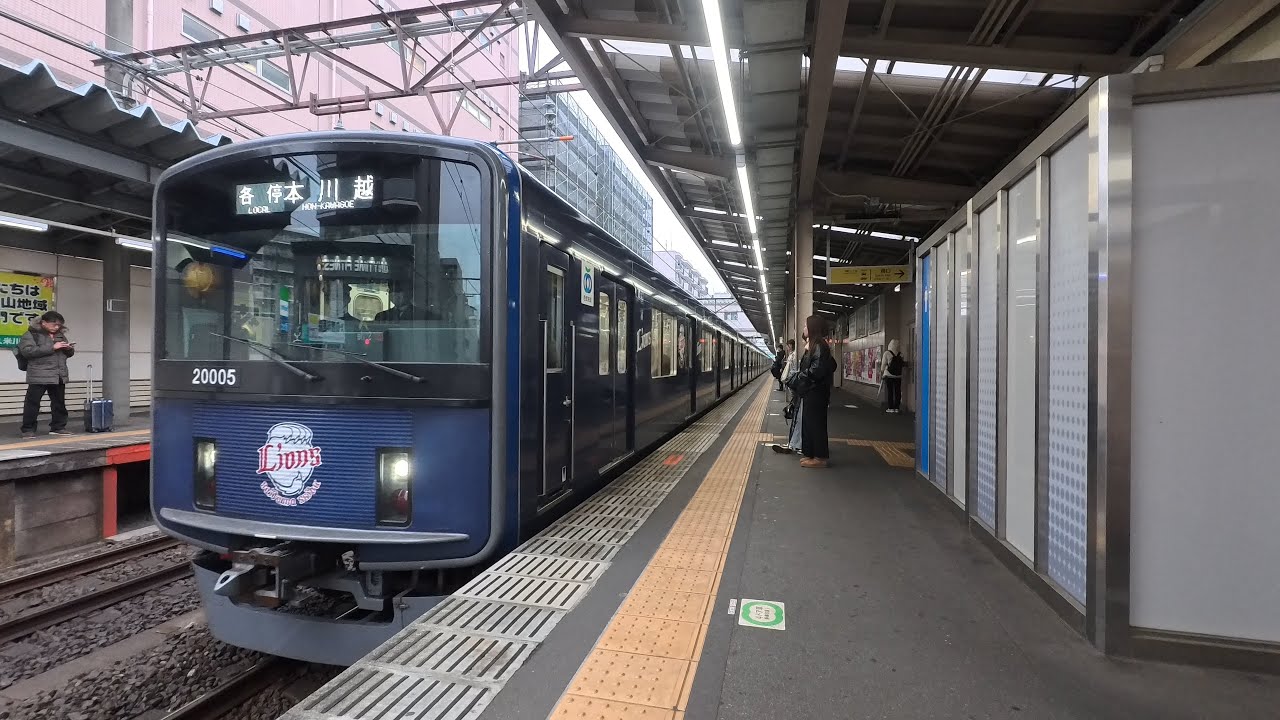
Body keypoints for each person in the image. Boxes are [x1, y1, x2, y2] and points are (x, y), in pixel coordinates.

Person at [19, 311, 75, 438]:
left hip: (58, 374)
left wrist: (68, 349)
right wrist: (52, 347)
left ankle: (58, 427)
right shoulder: (31, 334)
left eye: (59, 325)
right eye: (54, 324)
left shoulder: (60, 335)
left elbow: (69, 354)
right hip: (39, 374)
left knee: (59, 403)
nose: (57, 327)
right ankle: (28, 429)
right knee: (33, 403)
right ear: (43, 322)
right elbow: (27, 351)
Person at [793, 315, 837, 468]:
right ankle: (811, 454)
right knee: (810, 423)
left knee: (816, 424)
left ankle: (820, 458)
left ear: (812, 328)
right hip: (812, 391)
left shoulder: (818, 346)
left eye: (805, 326)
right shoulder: (814, 345)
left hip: (816, 392)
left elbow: (816, 370)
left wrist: (799, 377)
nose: (803, 328)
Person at [771, 339, 802, 454]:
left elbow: (793, 371)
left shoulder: (794, 356)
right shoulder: (793, 355)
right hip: (795, 385)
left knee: (797, 414)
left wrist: (790, 382)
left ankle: (796, 445)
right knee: (796, 415)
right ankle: (794, 443)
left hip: (796, 385)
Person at [881, 339, 905, 413]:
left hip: (889, 375)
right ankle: (897, 407)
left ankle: (890, 408)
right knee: (898, 391)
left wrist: (882, 371)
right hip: (898, 376)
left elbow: (883, 365)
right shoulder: (901, 354)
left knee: (890, 391)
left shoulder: (887, 353)